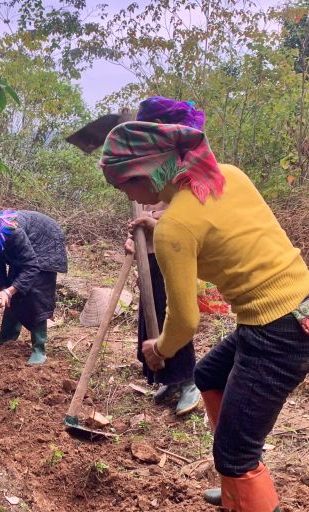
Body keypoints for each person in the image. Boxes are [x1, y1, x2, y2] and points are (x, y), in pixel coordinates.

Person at [100, 114, 309, 511]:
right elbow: (214, 229)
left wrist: (160, 348)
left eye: (124, 186)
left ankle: (239, 473)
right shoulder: (226, 175)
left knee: (234, 453)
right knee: (208, 375)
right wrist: (160, 227)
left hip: (277, 332)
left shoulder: (176, 228)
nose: (128, 195)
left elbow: (186, 321)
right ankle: (237, 485)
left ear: (145, 175)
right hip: (305, 305)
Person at [124, 97, 206, 416]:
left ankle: (189, 381)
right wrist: (136, 239)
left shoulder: (183, 175)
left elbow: (186, 220)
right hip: (150, 260)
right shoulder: (150, 176)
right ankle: (169, 379)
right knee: (151, 317)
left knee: (172, 316)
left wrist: (153, 222)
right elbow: (144, 215)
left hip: (172, 257)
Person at [0, 207, 68, 365]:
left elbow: (32, 266)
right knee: (13, 291)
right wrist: (2, 292)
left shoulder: (10, 231)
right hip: (26, 249)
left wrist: (9, 292)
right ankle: (5, 342)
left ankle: (39, 348)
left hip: (44, 243)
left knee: (35, 294)